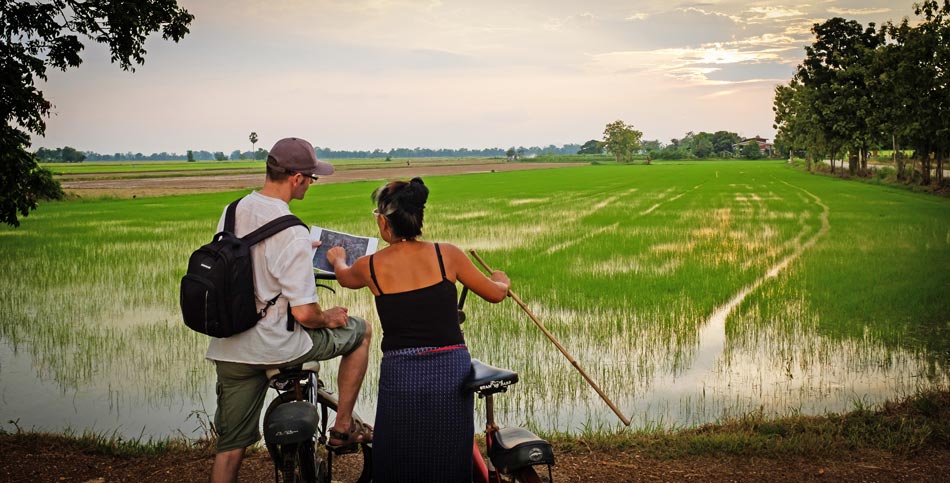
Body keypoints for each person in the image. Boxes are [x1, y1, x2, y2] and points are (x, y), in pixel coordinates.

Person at [208, 137, 373, 483]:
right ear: (296, 178)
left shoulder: (232, 210)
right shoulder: (292, 230)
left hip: (231, 349)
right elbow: (305, 315)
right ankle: (343, 427)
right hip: (278, 346)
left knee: (230, 448)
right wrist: (331, 317)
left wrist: (299, 249)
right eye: (311, 178)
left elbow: (246, 259)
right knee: (361, 331)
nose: (312, 184)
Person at [327, 177, 510, 483]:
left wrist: (337, 259)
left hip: (401, 372)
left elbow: (344, 277)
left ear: (385, 224)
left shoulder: (369, 265)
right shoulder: (446, 254)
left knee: (397, 453)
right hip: (450, 369)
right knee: (450, 451)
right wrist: (502, 279)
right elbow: (495, 293)